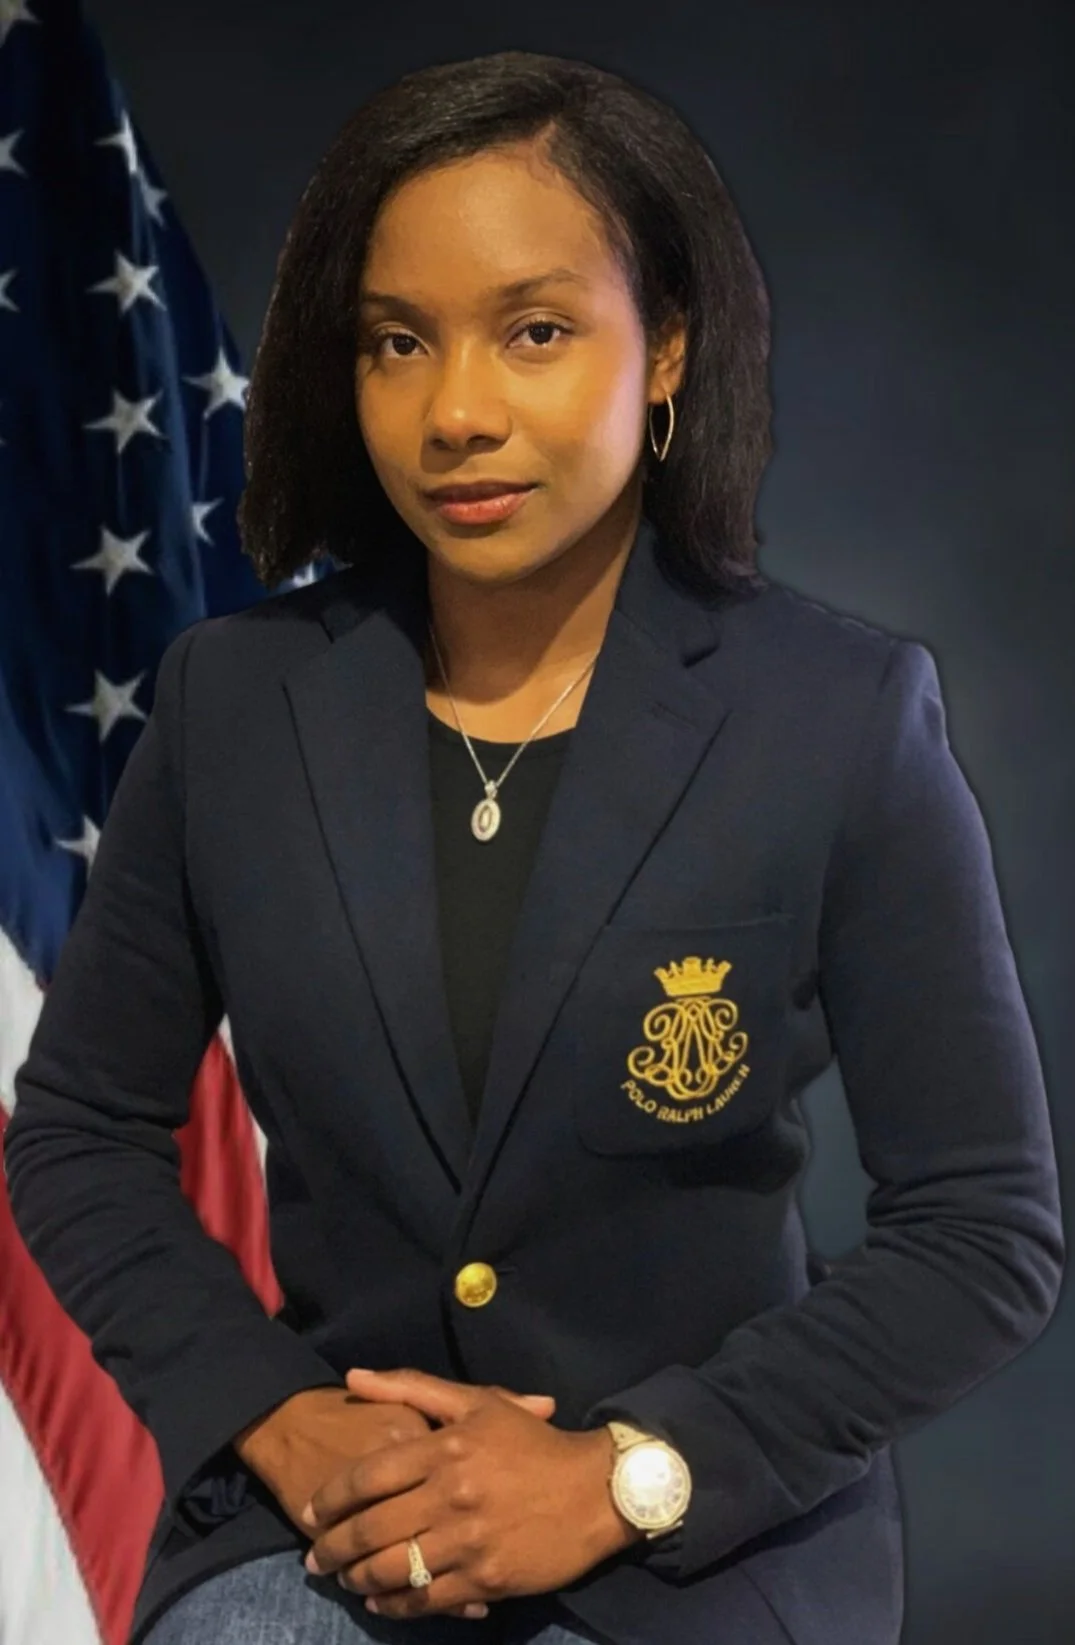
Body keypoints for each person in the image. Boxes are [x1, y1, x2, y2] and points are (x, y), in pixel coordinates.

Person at [5, 45, 1064, 1645]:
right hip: (324, 1529)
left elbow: (982, 1232)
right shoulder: (230, 709)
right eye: (394, 344)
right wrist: (284, 1427)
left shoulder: (840, 719)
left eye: (536, 332)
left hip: (695, 1548)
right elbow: (79, 1133)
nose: (456, 413)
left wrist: (625, 1473)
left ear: (667, 355)